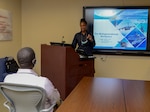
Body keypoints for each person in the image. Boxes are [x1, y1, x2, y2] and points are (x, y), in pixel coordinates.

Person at [4, 47, 60, 111]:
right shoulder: (43, 82)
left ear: (18, 61)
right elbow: (56, 100)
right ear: (34, 61)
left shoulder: (8, 79)